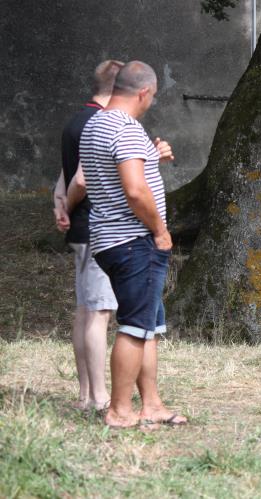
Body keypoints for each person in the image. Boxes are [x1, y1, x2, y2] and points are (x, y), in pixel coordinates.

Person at [79, 61, 186, 428]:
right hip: (133, 241)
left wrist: (151, 157)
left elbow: (114, 174)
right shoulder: (125, 128)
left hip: (112, 239)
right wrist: (159, 230)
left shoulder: (96, 123)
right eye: (152, 97)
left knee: (148, 326)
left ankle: (151, 403)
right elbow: (135, 191)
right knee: (134, 326)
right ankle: (120, 410)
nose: (150, 103)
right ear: (143, 92)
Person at [52, 59, 123, 411]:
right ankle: (98, 397)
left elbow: (64, 175)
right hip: (98, 228)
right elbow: (80, 179)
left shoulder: (74, 121)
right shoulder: (103, 122)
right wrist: (72, 201)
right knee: (98, 315)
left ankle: (84, 395)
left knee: (85, 312)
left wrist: (60, 204)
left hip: (81, 231)